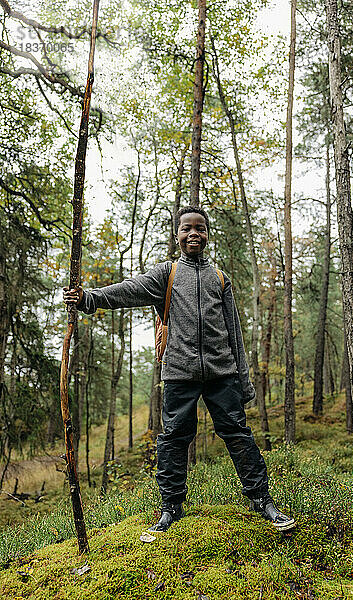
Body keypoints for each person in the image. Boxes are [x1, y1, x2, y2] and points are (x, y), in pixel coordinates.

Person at [64, 206, 295, 533]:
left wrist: (243, 383)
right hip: (178, 374)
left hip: (222, 373)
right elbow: (129, 290)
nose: (193, 234)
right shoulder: (166, 274)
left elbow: (235, 331)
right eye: (187, 229)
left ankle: (262, 501)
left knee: (239, 435)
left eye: (199, 228)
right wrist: (90, 298)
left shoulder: (220, 278)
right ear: (178, 235)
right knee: (173, 439)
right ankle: (170, 508)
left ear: (207, 234)